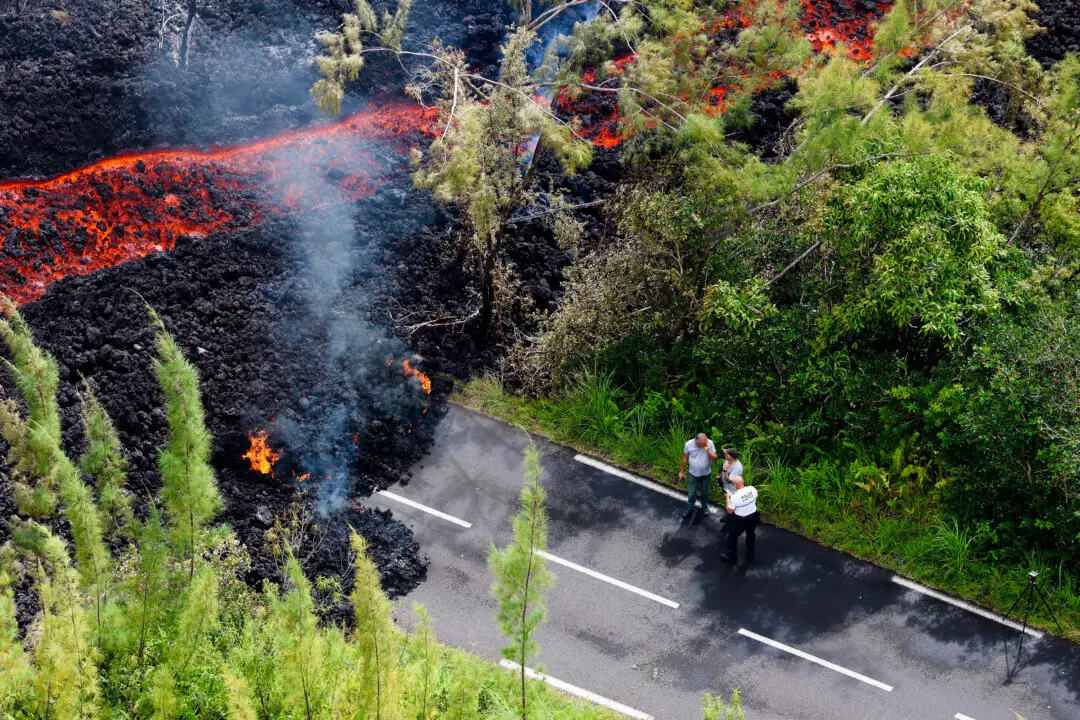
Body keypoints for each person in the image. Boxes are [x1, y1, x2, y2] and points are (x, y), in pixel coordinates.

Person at [720, 475, 759, 563]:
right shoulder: (752, 489)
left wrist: (727, 499)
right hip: (753, 516)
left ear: (735, 485)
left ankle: (732, 557)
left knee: (732, 538)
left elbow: (730, 511)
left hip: (741, 520)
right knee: (750, 532)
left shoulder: (734, 497)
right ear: (743, 482)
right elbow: (756, 498)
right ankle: (750, 546)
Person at [679, 432, 718, 519]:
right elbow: (685, 458)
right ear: (696, 442)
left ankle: (704, 506)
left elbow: (715, 458)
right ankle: (690, 508)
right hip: (693, 473)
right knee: (692, 492)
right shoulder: (688, 444)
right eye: (702, 445)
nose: (704, 445)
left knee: (704, 492)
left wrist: (708, 452)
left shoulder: (709, 443)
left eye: (705, 443)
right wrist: (682, 471)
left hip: (706, 473)